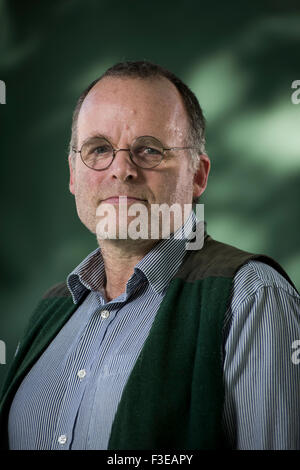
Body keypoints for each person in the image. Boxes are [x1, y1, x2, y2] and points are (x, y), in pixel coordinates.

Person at [0, 61, 299, 450]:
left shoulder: (252, 299)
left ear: (198, 176)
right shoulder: (51, 312)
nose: (121, 170)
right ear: (73, 174)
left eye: (149, 150)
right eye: (99, 149)